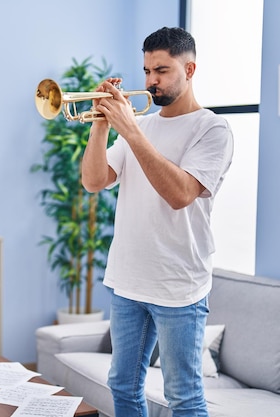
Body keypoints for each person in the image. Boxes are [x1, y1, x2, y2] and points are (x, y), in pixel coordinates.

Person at [81, 27, 234, 417]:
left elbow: (180, 194)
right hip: (128, 280)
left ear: (190, 68)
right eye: (147, 70)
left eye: (162, 70)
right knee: (123, 385)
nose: (151, 81)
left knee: (183, 395)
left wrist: (130, 129)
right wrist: (101, 126)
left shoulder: (212, 129)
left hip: (179, 285)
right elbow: (94, 181)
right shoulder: (143, 126)